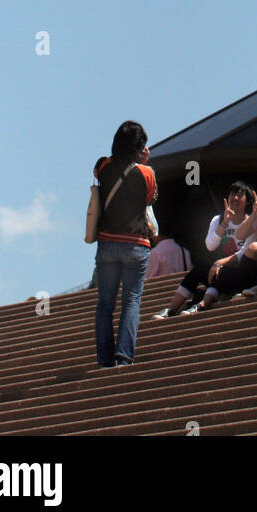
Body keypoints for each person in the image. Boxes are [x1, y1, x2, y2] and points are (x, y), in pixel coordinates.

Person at [93, 120, 157, 367]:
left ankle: (104, 359)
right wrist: (144, 162)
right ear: (140, 147)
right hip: (136, 244)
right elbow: (151, 199)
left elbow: (97, 173)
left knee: (105, 304)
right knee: (131, 301)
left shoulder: (103, 166)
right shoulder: (147, 173)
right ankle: (124, 356)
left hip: (107, 243)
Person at [153, 180, 253, 319]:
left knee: (220, 273)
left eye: (240, 195)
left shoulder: (252, 222)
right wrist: (224, 223)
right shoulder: (218, 220)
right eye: (232, 194)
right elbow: (210, 246)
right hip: (219, 269)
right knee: (199, 270)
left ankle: (201, 305)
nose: (235, 198)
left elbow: (244, 253)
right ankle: (171, 309)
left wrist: (219, 263)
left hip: (239, 272)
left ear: (247, 201)